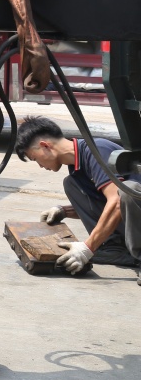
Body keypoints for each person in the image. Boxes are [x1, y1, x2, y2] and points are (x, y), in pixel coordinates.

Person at [14, 115, 141, 280]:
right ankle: (114, 248)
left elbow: (117, 201)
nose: (40, 166)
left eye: (35, 159)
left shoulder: (97, 150)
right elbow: (106, 204)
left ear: (45, 146)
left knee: (128, 190)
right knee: (71, 184)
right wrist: (64, 211)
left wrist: (87, 248)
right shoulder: (76, 168)